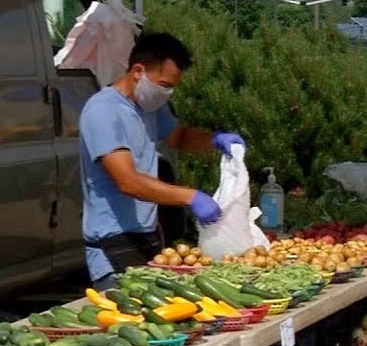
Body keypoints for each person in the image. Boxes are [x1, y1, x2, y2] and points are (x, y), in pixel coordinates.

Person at [79, 32, 244, 290]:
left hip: (147, 237)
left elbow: (179, 137)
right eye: (164, 85)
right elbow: (128, 182)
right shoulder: (103, 111)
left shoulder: (150, 107)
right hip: (113, 245)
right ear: (137, 71)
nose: (168, 93)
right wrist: (190, 197)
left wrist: (216, 140)